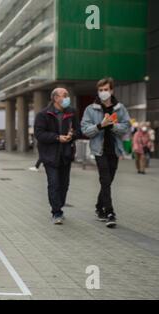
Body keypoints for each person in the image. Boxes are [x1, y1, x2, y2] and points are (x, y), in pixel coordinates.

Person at [81, 77, 131, 228]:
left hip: (114, 150)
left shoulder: (120, 108)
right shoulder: (91, 109)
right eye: (101, 90)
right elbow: (85, 130)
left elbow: (126, 126)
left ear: (112, 90)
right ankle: (110, 212)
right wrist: (100, 125)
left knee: (109, 180)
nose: (103, 92)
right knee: (105, 179)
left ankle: (98, 207)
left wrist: (114, 126)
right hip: (99, 150)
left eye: (106, 90)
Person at [34, 88, 80, 225]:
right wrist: (57, 138)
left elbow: (78, 130)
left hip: (66, 154)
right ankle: (56, 212)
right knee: (54, 184)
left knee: (64, 185)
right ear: (55, 98)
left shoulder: (72, 112)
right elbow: (39, 134)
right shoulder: (43, 114)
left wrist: (72, 135)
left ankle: (59, 205)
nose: (67, 98)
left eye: (67, 95)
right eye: (64, 95)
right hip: (50, 155)